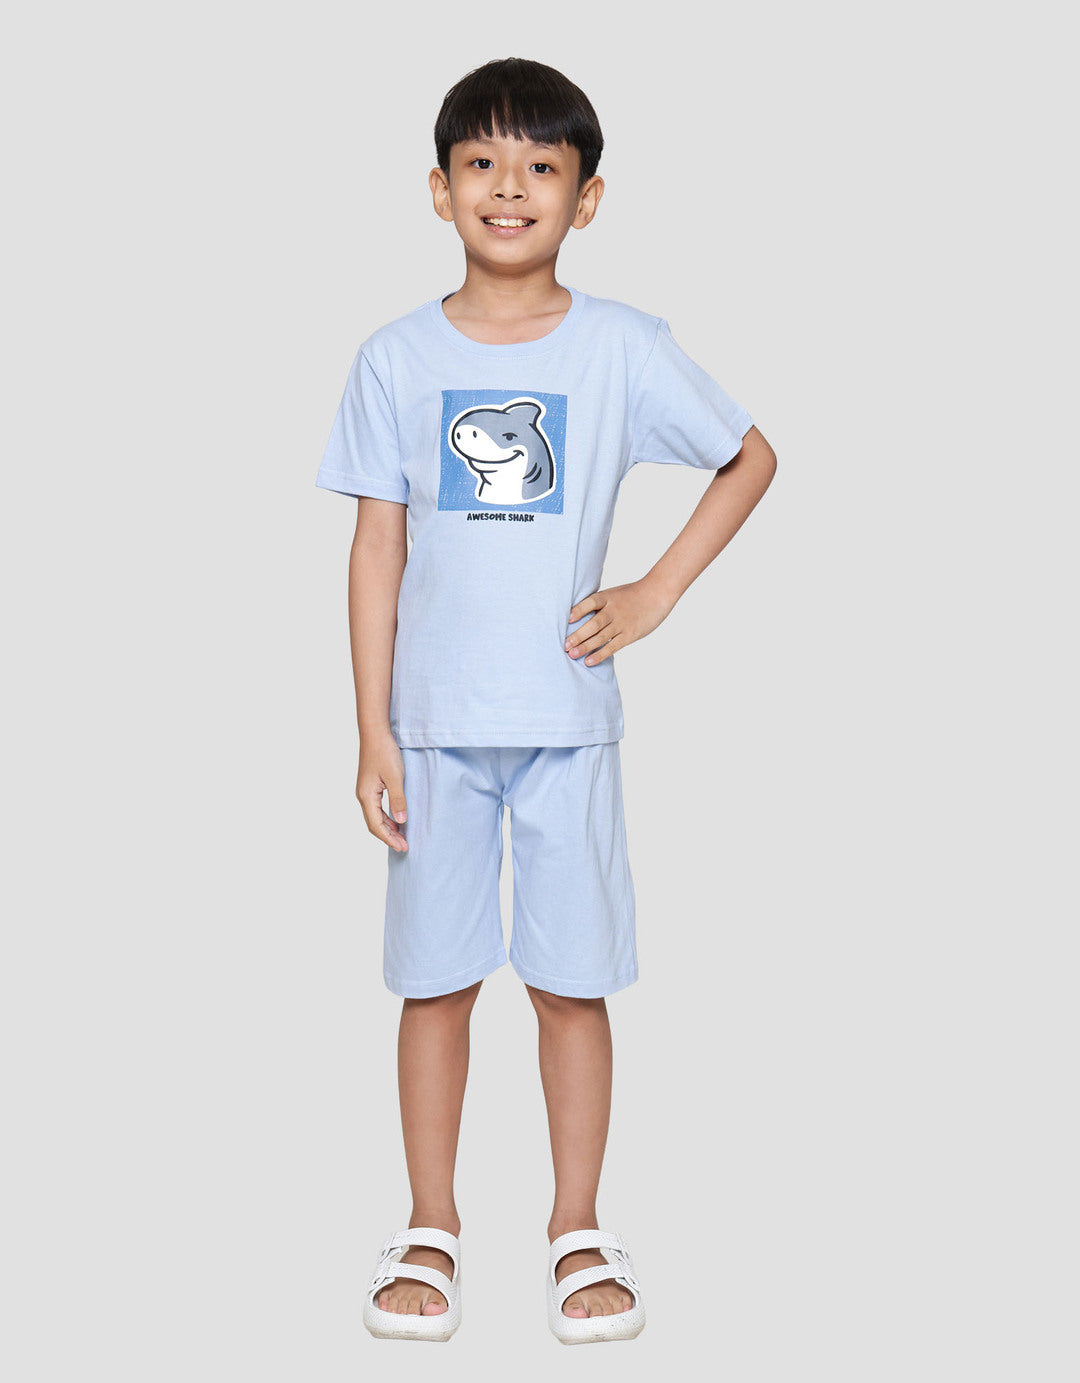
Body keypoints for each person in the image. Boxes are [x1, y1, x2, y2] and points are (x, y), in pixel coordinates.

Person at [315, 56, 777, 1345]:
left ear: (588, 197)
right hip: (432, 730)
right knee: (435, 982)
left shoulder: (621, 347)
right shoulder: (395, 358)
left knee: (573, 983)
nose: (508, 188)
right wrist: (370, 729)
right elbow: (376, 548)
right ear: (438, 188)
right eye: (482, 163)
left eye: (540, 166)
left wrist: (655, 592)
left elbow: (749, 456)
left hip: (569, 726)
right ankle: (430, 1224)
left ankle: (579, 1226)